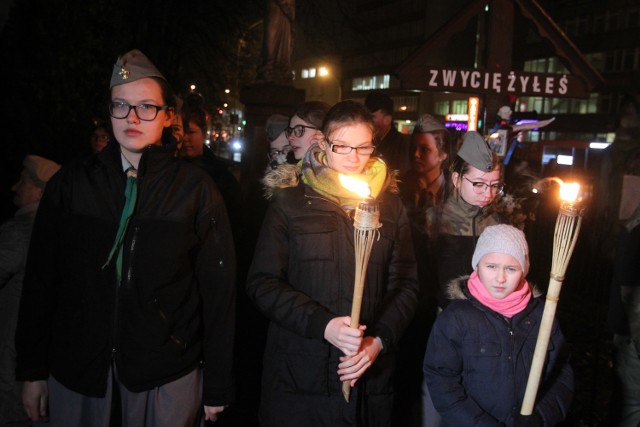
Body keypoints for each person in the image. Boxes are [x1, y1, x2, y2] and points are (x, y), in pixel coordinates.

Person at [15, 49, 236, 426]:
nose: (132, 117)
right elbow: (40, 281)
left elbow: (219, 292)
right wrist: (32, 370)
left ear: (168, 116)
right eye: (121, 105)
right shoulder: (71, 184)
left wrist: (217, 383)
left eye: (147, 107)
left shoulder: (196, 190)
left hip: (166, 369)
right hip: (78, 367)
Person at [246, 100, 418, 426]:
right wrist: (323, 325)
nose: (353, 157)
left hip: (369, 382)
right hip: (300, 379)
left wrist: (377, 341)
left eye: (363, 147)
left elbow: (407, 285)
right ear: (323, 143)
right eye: (342, 146)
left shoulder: (391, 207)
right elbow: (262, 283)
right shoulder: (291, 202)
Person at [423, 224, 573, 427]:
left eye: (511, 269)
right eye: (491, 266)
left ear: (524, 270)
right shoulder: (457, 318)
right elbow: (442, 379)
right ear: (477, 265)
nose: (500, 278)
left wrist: (541, 416)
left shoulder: (542, 316)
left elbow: (561, 372)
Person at [394, 113, 450, 426]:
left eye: (424, 149)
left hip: (439, 295)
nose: (416, 155)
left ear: (442, 154)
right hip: (408, 294)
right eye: (414, 148)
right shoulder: (398, 188)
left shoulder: (455, 195)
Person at [0, 155, 60, 427]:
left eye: (23, 182)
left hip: (14, 358)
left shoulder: (22, 232)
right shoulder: (58, 229)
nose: (15, 187)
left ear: (39, 190)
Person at [427, 130, 508, 309]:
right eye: (478, 184)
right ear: (457, 179)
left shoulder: (500, 223)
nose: (488, 193)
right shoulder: (432, 220)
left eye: (494, 185)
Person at [364, 92, 410, 174]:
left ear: (387, 120)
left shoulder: (403, 146)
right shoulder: (366, 141)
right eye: (366, 117)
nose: (367, 122)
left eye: (372, 117)